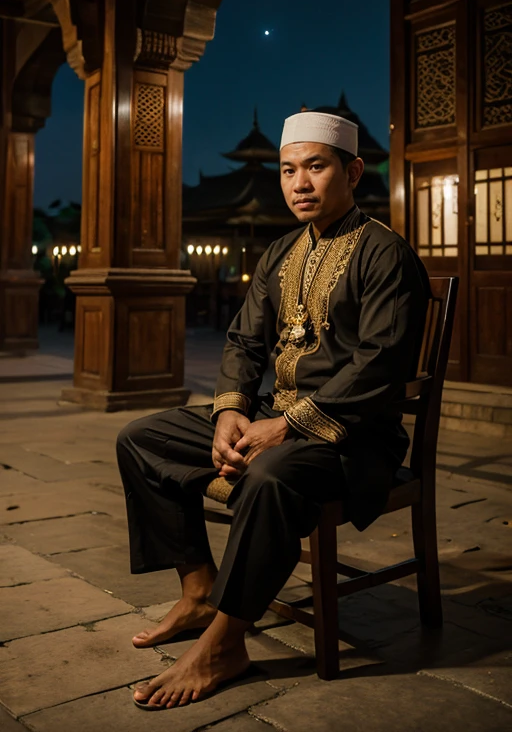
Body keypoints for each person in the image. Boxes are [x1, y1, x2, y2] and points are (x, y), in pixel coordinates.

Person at [116, 109, 430, 710]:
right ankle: (200, 589)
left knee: (267, 474)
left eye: (316, 167)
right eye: (288, 170)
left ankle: (227, 641)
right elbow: (242, 342)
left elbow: (382, 363)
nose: (299, 184)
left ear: (354, 171)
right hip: (273, 415)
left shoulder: (385, 254)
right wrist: (231, 412)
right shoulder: (281, 251)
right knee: (142, 437)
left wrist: (286, 425)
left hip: (353, 438)